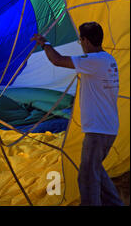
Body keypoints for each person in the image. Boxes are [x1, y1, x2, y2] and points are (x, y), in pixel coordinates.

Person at [31, 22, 123, 206]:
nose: (80, 43)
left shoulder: (94, 61)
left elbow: (57, 60)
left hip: (98, 130)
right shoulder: (108, 59)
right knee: (95, 170)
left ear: (85, 40)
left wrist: (45, 44)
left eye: (80, 40)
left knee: (87, 177)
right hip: (109, 128)